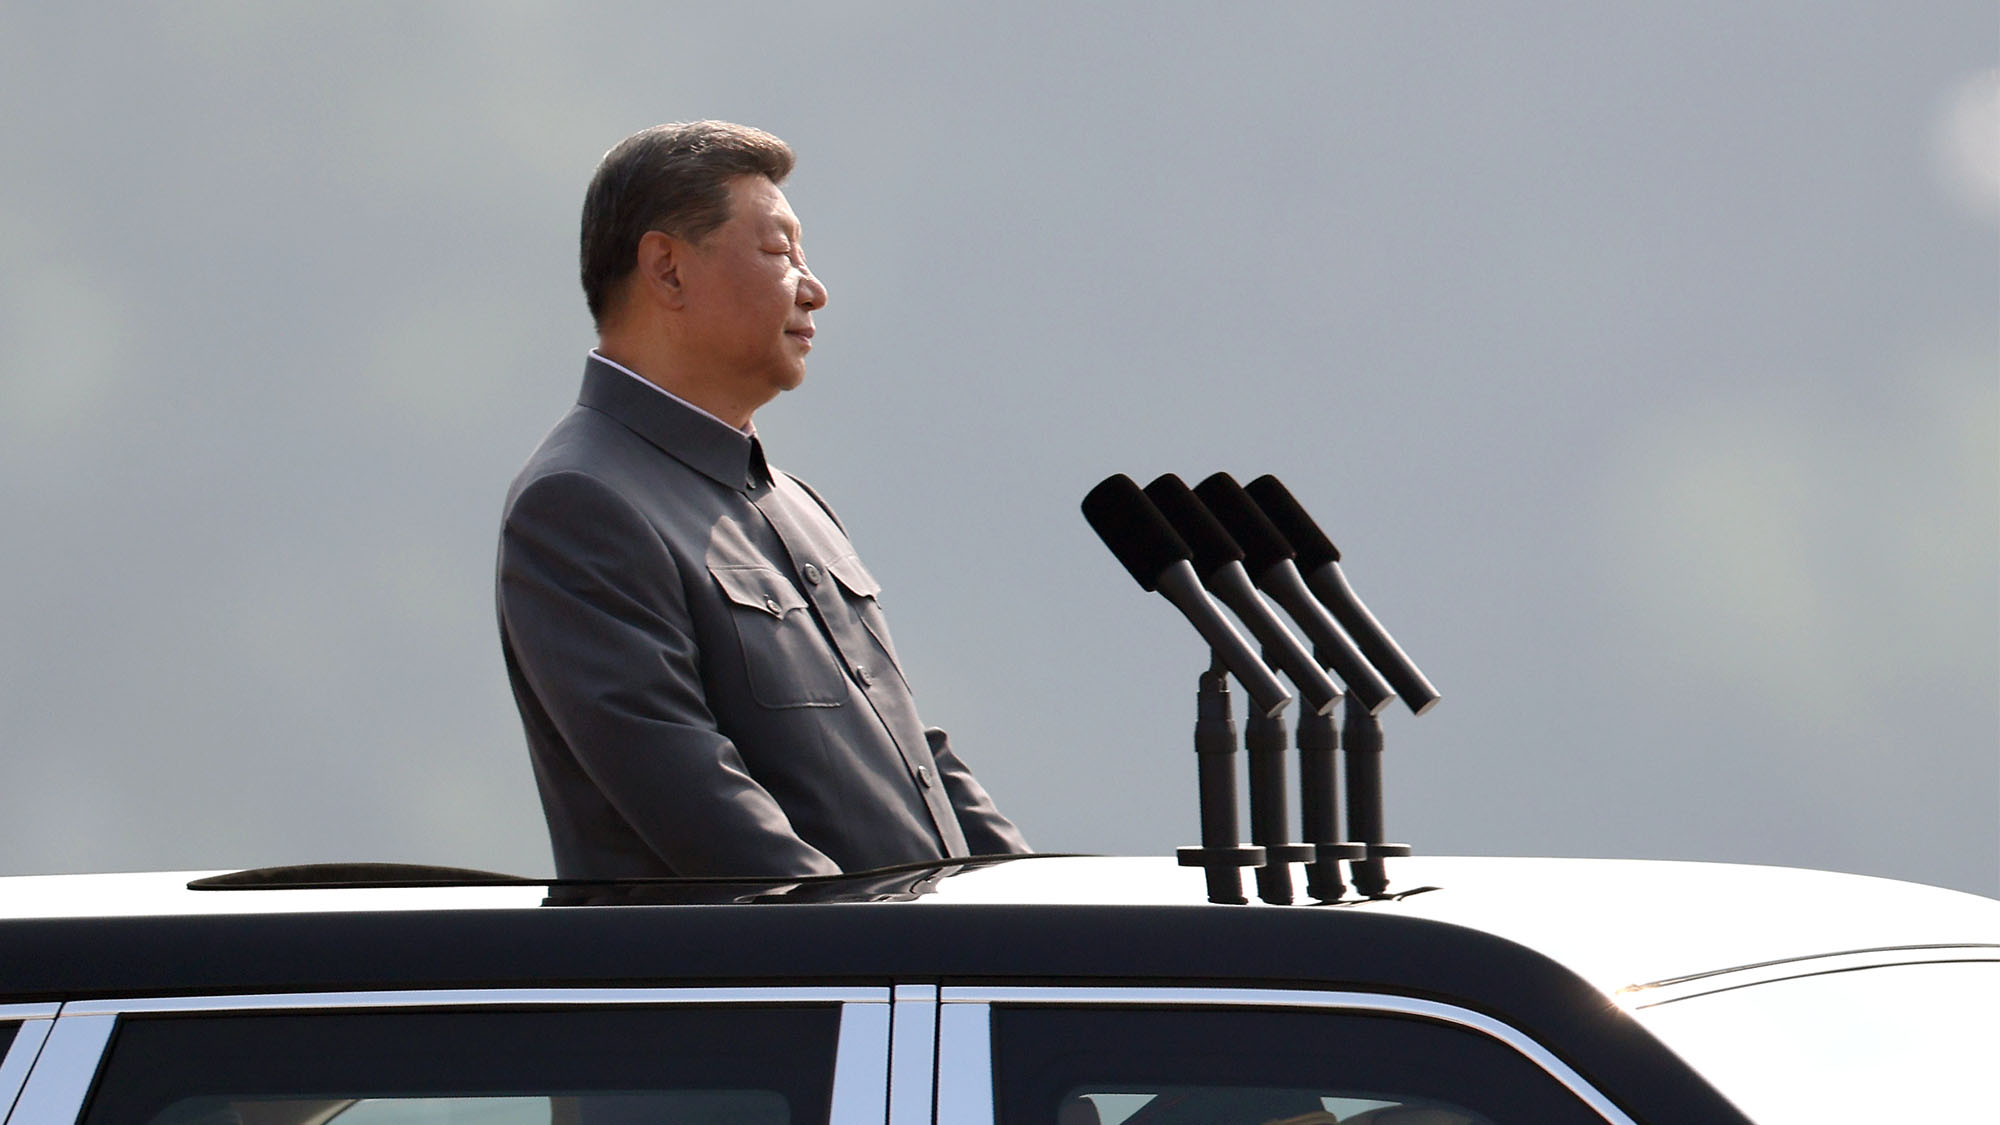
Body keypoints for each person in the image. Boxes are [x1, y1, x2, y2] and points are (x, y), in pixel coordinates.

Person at [497, 121, 1028, 878]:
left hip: (907, 982)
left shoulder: (795, 504)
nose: (813, 288)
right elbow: (717, 830)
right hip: (789, 991)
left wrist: (1038, 913)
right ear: (668, 270)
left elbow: (919, 755)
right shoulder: (582, 504)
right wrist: (905, 959)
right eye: (780, 252)